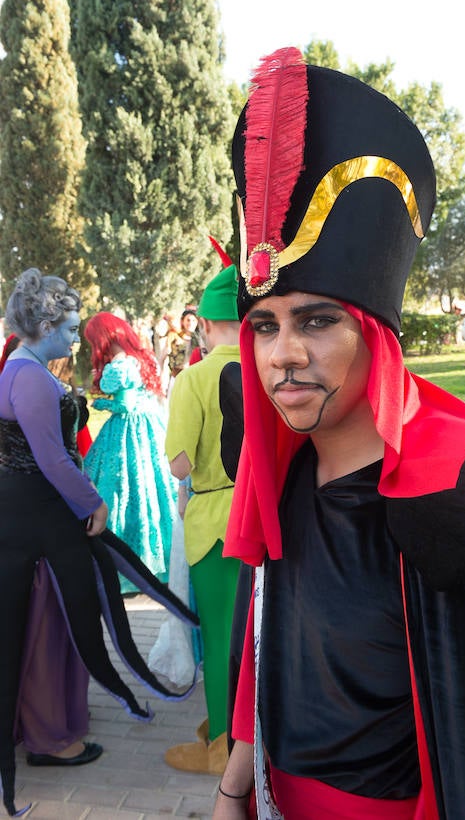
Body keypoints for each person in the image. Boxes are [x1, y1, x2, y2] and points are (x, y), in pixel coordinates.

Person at [213, 48, 465, 819]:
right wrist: (232, 789)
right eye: (264, 326)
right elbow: (264, 644)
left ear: (375, 338)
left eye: (315, 322)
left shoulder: (453, 498)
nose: (282, 354)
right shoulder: (279, 473)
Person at [0, 269, 199, 818]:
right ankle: (51, 737)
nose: (74, 339)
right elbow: (52, 457)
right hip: (41, 517)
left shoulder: (22, 367)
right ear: (43, 326)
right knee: (51, 625)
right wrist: (94, 503)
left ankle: (39, 726)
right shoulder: (30, 376)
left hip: (30, 514)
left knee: (41, 621)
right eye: (68, 329)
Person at [163, 264, 242, 776]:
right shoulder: (270, 367)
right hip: (267, 517)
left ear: (207, 325)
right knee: (258, 636)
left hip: (214, 524)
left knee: (219, 640)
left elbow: (179, 465)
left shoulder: (193, 378)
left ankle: (222, 749)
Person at [84, 312, 178, 592]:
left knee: (122, 488)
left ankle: (125, 566)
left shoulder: (120, 365)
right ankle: (159, 562)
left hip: (128, 430)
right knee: (152, 489)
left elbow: (125, 405)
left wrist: (102, 405)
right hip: (150, 427)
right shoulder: (139, 358)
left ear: (102, 339)